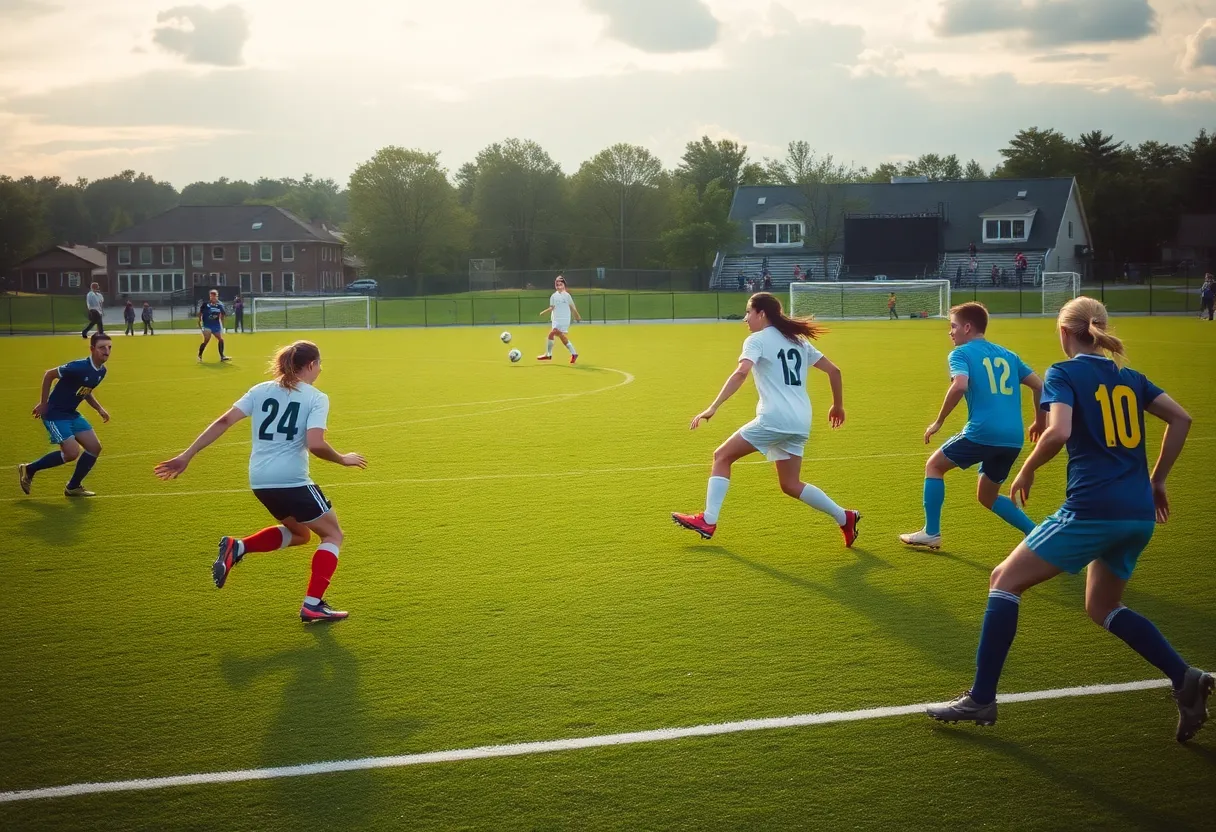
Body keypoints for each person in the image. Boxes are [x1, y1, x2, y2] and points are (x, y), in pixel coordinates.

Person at [926, 297, 1213, 741]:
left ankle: (981, 698)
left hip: (1093, 509)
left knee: (1003, 579)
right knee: (1103, 606)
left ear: (1064, 333)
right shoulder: (1129, 377)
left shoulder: (1064, 373)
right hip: (1137, 513)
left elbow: (1058, 431)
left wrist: (1027, 468)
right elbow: (1181, 418)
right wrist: (1156, 482)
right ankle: (1185, 678)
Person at [153, 341, 367, 623]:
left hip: (260, 480)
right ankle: (312, 604)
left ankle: (238, 547)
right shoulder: (316, 397)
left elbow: (223, 421)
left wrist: (187, 455)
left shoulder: (260, 390)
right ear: (311, 365)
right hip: (291, 480)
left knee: (301, 534)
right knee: (333, 535)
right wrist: (342, 459)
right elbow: (315, 444)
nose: (320, 370)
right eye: (319, 364)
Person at [671, 292, 860, 546]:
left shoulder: (756, 340)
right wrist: (838, 405)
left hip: (774, 419)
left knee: (722, 456)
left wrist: (713, 407)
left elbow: (741, 373)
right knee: (790, 484)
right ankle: (844, 517)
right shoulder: (799, 342)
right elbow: (834, 371)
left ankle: (708, 520)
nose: (745, 319)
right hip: (800, 422)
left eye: (748, 312)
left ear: (761, 314)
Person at [900, 302, 1042, 549]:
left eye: (953, 326)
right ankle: (1038, 534)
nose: (950, 332)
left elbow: (960, 385)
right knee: (986, 496)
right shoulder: (1009, 355)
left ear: (967, 327)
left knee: (934, 466)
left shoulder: (961, 353)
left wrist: (938, 422)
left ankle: (931, 532)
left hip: (982, 432)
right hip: (1013, 438)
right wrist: (1040, 421)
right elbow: (1040, 386)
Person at [18, 333, 112, 498]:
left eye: (109, 347)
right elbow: (49, 374)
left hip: (71, 414)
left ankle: (73, 487)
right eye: (102, 347)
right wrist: (44, 403)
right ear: (92, 349)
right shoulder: (78, 367)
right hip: (54, 414)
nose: (106, 351)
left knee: (94, 448)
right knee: (71, 453)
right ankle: (29, 469)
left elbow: (85, 391)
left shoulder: (101, 371)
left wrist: (99, 409)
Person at [537, 275, 581, 363]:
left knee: (553, 333)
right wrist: (544, 312)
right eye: (557, 285)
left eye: (560, 284)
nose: (558, 286)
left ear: (564, 285)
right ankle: (573, 353)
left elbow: (573, 307)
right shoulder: (553, 296)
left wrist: (577, 316)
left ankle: (548, 354)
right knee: (558, 336)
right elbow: (552, 307)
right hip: (556, 319)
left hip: (564, 319)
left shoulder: (567, 296)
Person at [197, 289, 231, 363]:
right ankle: (199, 355)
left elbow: (222, 314)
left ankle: (222, 356)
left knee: (221, 339)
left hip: (216, 325)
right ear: (210, 296)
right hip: (207, 325)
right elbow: (200, 313)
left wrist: (222, 324)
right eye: (212, 296)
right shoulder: (205, 304)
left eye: (215, 296)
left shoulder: (220, 305)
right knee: (206, 341)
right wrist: (199, 321)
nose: (214, 297)